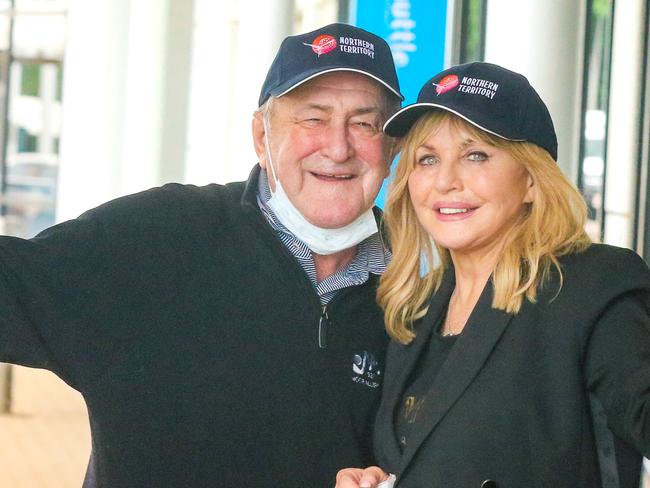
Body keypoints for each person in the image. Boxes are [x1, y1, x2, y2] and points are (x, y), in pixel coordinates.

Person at [0, 23, 404, 487]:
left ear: (390, 148)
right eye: (313, 118)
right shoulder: (158, 238)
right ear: (262, 137)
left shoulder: (422, 286)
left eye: (364, 123)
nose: (338, 146)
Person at [336, 62, 650, 488]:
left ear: (531, 182)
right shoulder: (413, 311)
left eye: (475, 155)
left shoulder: (592, 288)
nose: (445, 181)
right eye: (427, 159)